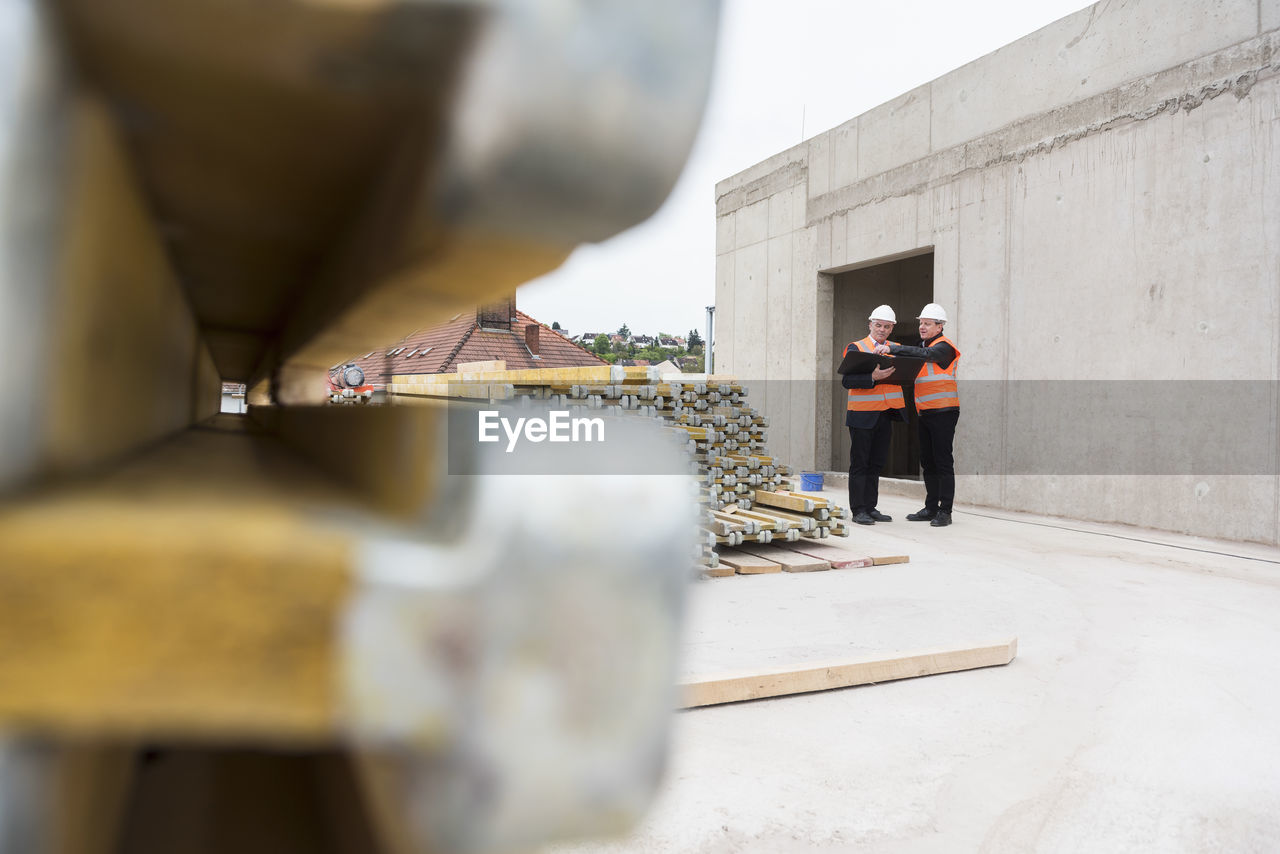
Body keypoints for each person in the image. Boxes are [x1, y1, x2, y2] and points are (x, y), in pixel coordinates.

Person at [875, 302, 960, 527]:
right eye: (921, 323)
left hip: (944, 411)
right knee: (928, 462)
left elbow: (926, 354)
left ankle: (945, 511)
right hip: (925, 412)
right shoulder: (921, 345)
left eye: (927, 323)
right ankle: (931, 507)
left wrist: (893, 348)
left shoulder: (944, 347)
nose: (922, 327)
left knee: (943, 461)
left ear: (940, 326)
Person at [841, 305, 904, 525]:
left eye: (887, 326)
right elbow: (847, 381)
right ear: (870, 324)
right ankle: (858, 510)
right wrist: (872, 377)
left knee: (877, 463)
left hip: (886, 413)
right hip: (861, 414)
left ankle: (870, 507)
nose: (882, 330)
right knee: (860, 463)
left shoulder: (896, 348)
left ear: (892, 328)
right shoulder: (856, 347)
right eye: (878, 325)